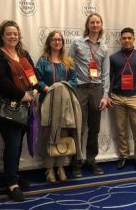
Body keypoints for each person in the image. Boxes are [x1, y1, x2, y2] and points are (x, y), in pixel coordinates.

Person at [0, 20, 38, 202]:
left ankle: (13, 175)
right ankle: (11, 184)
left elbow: (33, 74)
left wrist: (35, 88)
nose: (12, 36)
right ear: (2, 36)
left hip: (26, 107)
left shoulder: (23, 54)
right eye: (8, 34)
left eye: (15, 34)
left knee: (17, 144)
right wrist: (21, 95)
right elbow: (0, 81)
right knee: (13, 144)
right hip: (8, 107)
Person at [69, 13, 111, 178]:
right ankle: (76, 162)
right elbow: (69, 65)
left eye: (98, 22)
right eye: (92, 22)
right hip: (79, 88)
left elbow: (106, 73)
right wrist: (71, 87)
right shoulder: (77, 42)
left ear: (101, 25)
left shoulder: (104, 47)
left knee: (94, 128)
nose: (95, 25)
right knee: (77, 127)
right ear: (88, 25)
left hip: (96, 89)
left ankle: (91, 159)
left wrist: (105, 95)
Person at [35, 30, 80, 183]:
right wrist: (46, 88)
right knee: (49, 135)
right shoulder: (42, 61)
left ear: (62, 43)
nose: (57, 42)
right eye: (54, 39)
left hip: (64, 105)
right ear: (49, 42)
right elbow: (36, 80)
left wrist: (64, 87)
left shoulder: (68, 61)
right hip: (47, 103)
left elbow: (74, 80)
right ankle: (49, 169)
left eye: (59, 40)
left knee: (62, 135)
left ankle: (60, 167)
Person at [109, 27, 136, 172]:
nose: (126, 40)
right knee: (121, 130)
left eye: (129, 38)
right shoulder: (113, 58)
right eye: (124, 38)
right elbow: (109, 78)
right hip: (117, 98)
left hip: (135, 98)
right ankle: (124, 156)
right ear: (120, 40)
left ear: (134, 39)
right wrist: (108, 95)